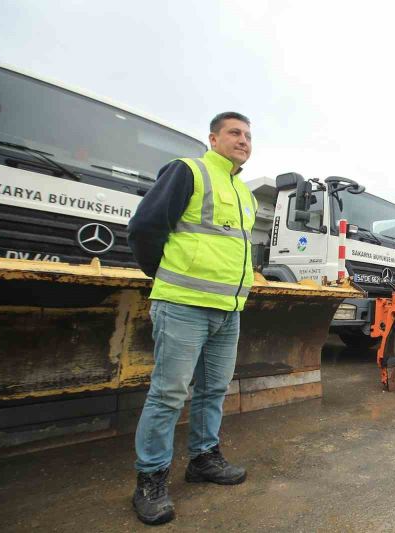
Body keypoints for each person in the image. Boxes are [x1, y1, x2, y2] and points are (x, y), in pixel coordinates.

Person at [127, 112, 256, 525]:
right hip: (182, 304)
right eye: (235, 133)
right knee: (168, 393)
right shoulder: (189, 171)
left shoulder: (245, 193)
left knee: (212, 390)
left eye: (249, 135)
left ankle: (203, 459)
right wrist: (164, 276)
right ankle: (150, 478)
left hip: (228, 310)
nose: (243, 140)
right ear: (213, 138)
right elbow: (145, 228)